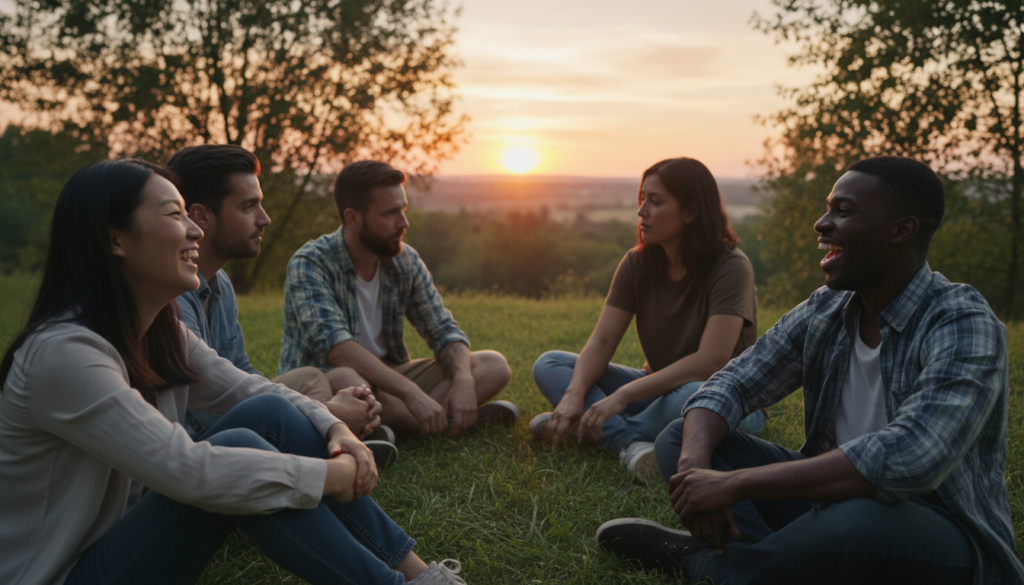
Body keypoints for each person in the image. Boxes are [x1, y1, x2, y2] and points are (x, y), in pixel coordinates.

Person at [0, 159, 466, 585]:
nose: (194, 231)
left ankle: (420, 575)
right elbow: (189, 469)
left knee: (266, 411)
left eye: (189, 215)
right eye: (173, 215)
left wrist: (335, 426)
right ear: (114, 239)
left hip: (120, 542)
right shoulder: (64, 354)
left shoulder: (159, 331)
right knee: (236, 449)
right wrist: (331, 476)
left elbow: (247, 389)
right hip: (61, 574)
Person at [596, 156, 1024, 584]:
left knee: (861, 520)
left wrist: (737, 484)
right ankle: (770, 561)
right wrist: (695, 469)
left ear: (901, 230)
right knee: (682, 436)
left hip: (943, 536)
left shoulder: (962, 323)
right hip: (832, 509)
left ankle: (709, 565)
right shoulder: (827, 308)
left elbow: (908, 458)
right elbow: (731, 383)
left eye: (844, 211)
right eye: (827, 208)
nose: (822, 223)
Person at [530, 157, 764, 482]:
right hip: (658, 392)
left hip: (725, 400)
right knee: (551, 363)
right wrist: (573, 394)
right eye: (642, 199)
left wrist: (622, 396)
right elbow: (601, 342)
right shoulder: (637, 263)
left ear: (691, 212)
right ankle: (629, 444)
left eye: (655, 202)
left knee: (691, 395)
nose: (642, 211)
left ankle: (584, 429)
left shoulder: (730, 266)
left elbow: (710, 362)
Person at [165, 145, 396, 467]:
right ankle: (331, 448)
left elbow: (242, 371)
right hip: (200, 440)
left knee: (312, 378)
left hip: (235, 409)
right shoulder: (169, 295)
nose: (265, 219)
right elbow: (206, 401)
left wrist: (323, 409)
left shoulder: (221, 284)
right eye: (249, 207)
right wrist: (328, 413)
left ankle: (332, 439)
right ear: (201, 215)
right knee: (317, 396)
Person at [279, 160, 518, 439]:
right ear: (353, 218)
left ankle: (397, 426)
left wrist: (464, 381)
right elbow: (337, 348)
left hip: (389, 379)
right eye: (391, 213)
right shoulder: (310, 263)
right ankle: (442, 424)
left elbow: (443, 330)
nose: (403, 223)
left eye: (402, 210)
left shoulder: (404, 260)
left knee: (492, 365)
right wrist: (412, 393)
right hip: (329, 383)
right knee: (351, 382)